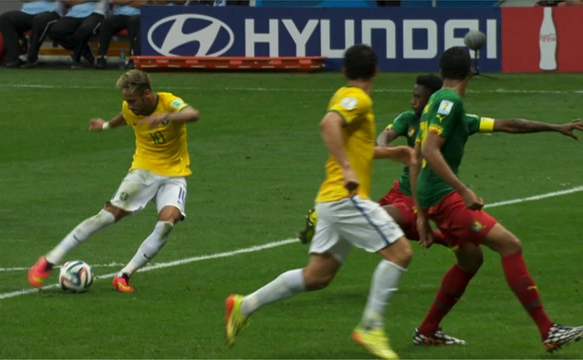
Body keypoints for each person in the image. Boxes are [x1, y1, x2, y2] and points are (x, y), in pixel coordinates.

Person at [225, 44, 415, 360]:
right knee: (401, 253)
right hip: (345, 198)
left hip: (331, 199)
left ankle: (243, 306)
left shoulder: (346, 97)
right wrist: (347, 168)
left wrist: (390, 153)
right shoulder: (358, 98)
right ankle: (371, 325)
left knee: (317, 277)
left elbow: (352, 143)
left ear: (344, 70)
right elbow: (329, 124)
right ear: (377, 71)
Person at [410, 46, 583, 351]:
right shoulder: (449, 102)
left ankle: (427, 330)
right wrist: (463, 190)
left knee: (470, 260)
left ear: (441, 72)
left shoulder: (441, 103)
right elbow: (429, 151)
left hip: (431, 196)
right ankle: (548, 331)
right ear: (470, 71)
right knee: (510, 245)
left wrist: (556, 127)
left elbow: (509, 125)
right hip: (445, 197)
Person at [298, 74, 583, 248]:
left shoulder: (459, 118)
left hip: (422, 198)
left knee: (396, 231)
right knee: (377, 225)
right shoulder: (408, 118)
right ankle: (325, 218)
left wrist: (555, 126)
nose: (413, 102)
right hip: (405, 192)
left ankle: (325, 219)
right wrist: (391, 149)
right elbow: (384, 137)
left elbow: (509, 124)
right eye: (412, 95)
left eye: (418, 97)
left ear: (432, 98)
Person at [27, 69, 200, 292]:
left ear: (147, 93)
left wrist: (166, 117)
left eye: (132, 100)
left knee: (167, 224)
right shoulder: (130, 108)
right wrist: (106, 125)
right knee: (106, 217)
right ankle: (49, 260)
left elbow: (193, 114)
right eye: (125, 100)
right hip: (143, 171)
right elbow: (125, 117)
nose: (129, 105)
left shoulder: (169, 102)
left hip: (175, 174)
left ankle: (124, 275)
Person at [0, 0, 64, 68]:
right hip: (27, 12)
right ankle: (18, 57)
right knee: (4, 19)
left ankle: (32, 58)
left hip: (51, 12)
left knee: (38, 21)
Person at [48, 0, 108, 68]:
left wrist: (76, 1)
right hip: (74, 13)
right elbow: (66, 1)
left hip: (97, 12)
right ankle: (84, 48)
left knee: (85, 29)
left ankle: (76, 57)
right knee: (55, 31)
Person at [95, 0, 144, 70]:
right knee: (106, 23)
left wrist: (124, 2)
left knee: (134, 23)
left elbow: (142, 3)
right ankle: (101, 57)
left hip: (138, 15)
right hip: (119, 15)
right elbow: (117, 1)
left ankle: (134, 59)